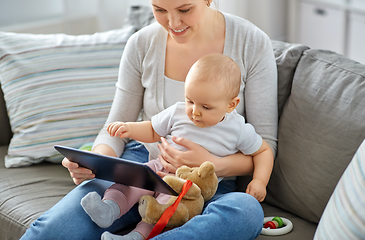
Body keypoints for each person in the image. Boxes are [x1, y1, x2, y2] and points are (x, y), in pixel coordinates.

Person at [20, 0, 278, 239]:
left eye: (184, 9)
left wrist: (212, 164)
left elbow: (265, 146)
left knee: (246, 212)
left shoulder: (251, 42)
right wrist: (96, 162)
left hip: (208, 183)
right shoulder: (141, 43)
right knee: (52, 229)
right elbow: (117, 126)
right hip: (142, 167)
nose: (173, 24)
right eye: (160, 10)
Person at [81, 54, 274, 240]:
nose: (195, 112)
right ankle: (109, 209)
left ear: (231, 105)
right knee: (130, 182)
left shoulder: (238, 128)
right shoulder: (178, 111)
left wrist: (259, 181)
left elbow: (263, 151)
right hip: (158, 168)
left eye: (206, 107)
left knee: (162, 210)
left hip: (187, 187)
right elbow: (152, 130)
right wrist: (129, 128)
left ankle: (136, 236)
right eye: (190, 100)